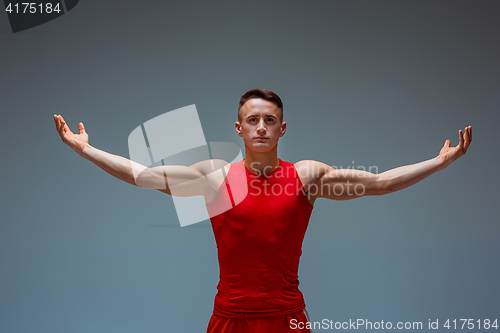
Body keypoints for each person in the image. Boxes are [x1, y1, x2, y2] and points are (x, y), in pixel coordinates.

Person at [54, 89, 472, 333]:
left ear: (282, 128)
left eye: (269, 120)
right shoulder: (214, 178)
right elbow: (142, 175)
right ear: (238, 128)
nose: (260, 127)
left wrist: (439, 162)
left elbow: (378, 183)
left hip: (288, 318)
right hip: (230, 319)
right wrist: (87, 149)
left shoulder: (307, 176)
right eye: (252, 120)